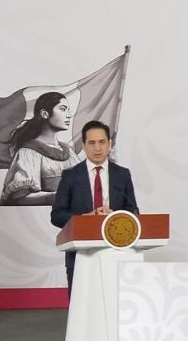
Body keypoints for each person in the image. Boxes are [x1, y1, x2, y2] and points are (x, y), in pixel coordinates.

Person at [51, 120, 139, 297]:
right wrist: (85, 218)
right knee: (81, 311)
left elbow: (134, 213)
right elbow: (57, 215)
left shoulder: (123, 175)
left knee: (116, 307)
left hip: (116, 254)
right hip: (80, 257)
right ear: (83, 146)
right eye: (91, 143)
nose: (97, 148)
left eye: (102, 142)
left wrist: (115, 217)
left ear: (109, 145)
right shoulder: (70, 176)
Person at [0, 92, 82, 206]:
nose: (69, 115)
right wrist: (58, 197)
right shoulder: (28, 153)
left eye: (68, 110)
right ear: (45, 114)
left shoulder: (69, 152)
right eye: (63, 109)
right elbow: (20, 198)